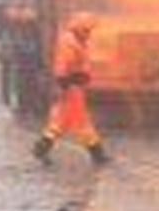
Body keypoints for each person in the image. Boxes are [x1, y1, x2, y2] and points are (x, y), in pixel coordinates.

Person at [32, 12, 111, 166]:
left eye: (90, 30)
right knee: (81, 122)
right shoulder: (70, 42)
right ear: (79, 27)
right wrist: (67, 82)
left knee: (61, 122)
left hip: (74, 86)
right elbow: (62, 66)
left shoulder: (78, 41)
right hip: (71, 87)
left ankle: (41, 148)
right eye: (87, 29)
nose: (89, 33)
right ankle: (97, 154)